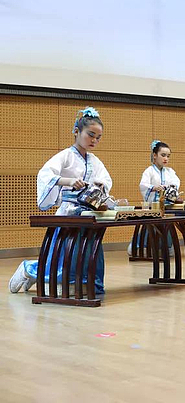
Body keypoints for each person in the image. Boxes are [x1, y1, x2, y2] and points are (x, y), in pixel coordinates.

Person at [9, 107, 113, 293]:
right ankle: (29, 269)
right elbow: (45, 175)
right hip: (69, 212)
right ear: (76, 131)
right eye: (91, 135)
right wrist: (69, 181)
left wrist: (101, 185)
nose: (94, 141)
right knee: (62, 257)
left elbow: (106, 179)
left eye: (98, 138)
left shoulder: (95, 160)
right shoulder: (65, 156)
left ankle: (82, 283)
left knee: (87, 251)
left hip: (89, 213)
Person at [128, 140, 181, 256]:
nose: (166, 158)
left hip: (166, 206)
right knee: (151, 226)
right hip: (153, 206)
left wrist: (171, 188)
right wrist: (153, 188)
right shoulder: (149, 171)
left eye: (168, 156)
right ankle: (142, 247)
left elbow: (176, 182)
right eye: (163, 155)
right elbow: (143, 185)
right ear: (155, 155)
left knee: (167, 226)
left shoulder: (170, 172)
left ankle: (165, 247)